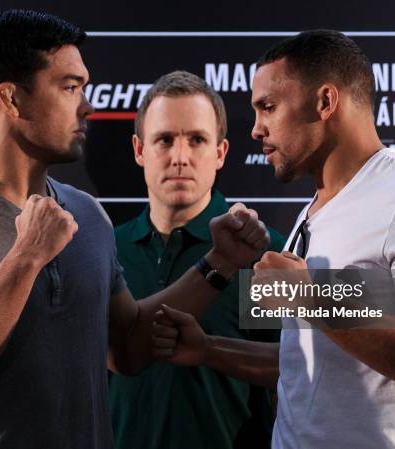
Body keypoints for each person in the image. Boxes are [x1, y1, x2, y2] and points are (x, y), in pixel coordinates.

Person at [0, 10, 270, 449]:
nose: (87, 105)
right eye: (69, 87)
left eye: (197, 139)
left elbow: (126, 347)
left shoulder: (89, 215)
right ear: (10, 99)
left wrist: (218, 263)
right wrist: (27, 255)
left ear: (221, 152)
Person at [152, 30, 395, 449]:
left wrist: (310, 298)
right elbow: (309, 361)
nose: (255, 129)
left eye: (268, 107)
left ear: (325, 102)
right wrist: (209, 350)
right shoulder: (314, 210)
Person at [109, 70, 285, 449]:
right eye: (165, 140)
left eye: (197, 140)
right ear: (139, 149)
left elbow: (305, 370)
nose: (180, 157)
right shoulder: (105, 250)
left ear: (220, 153)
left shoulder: (264, 255)